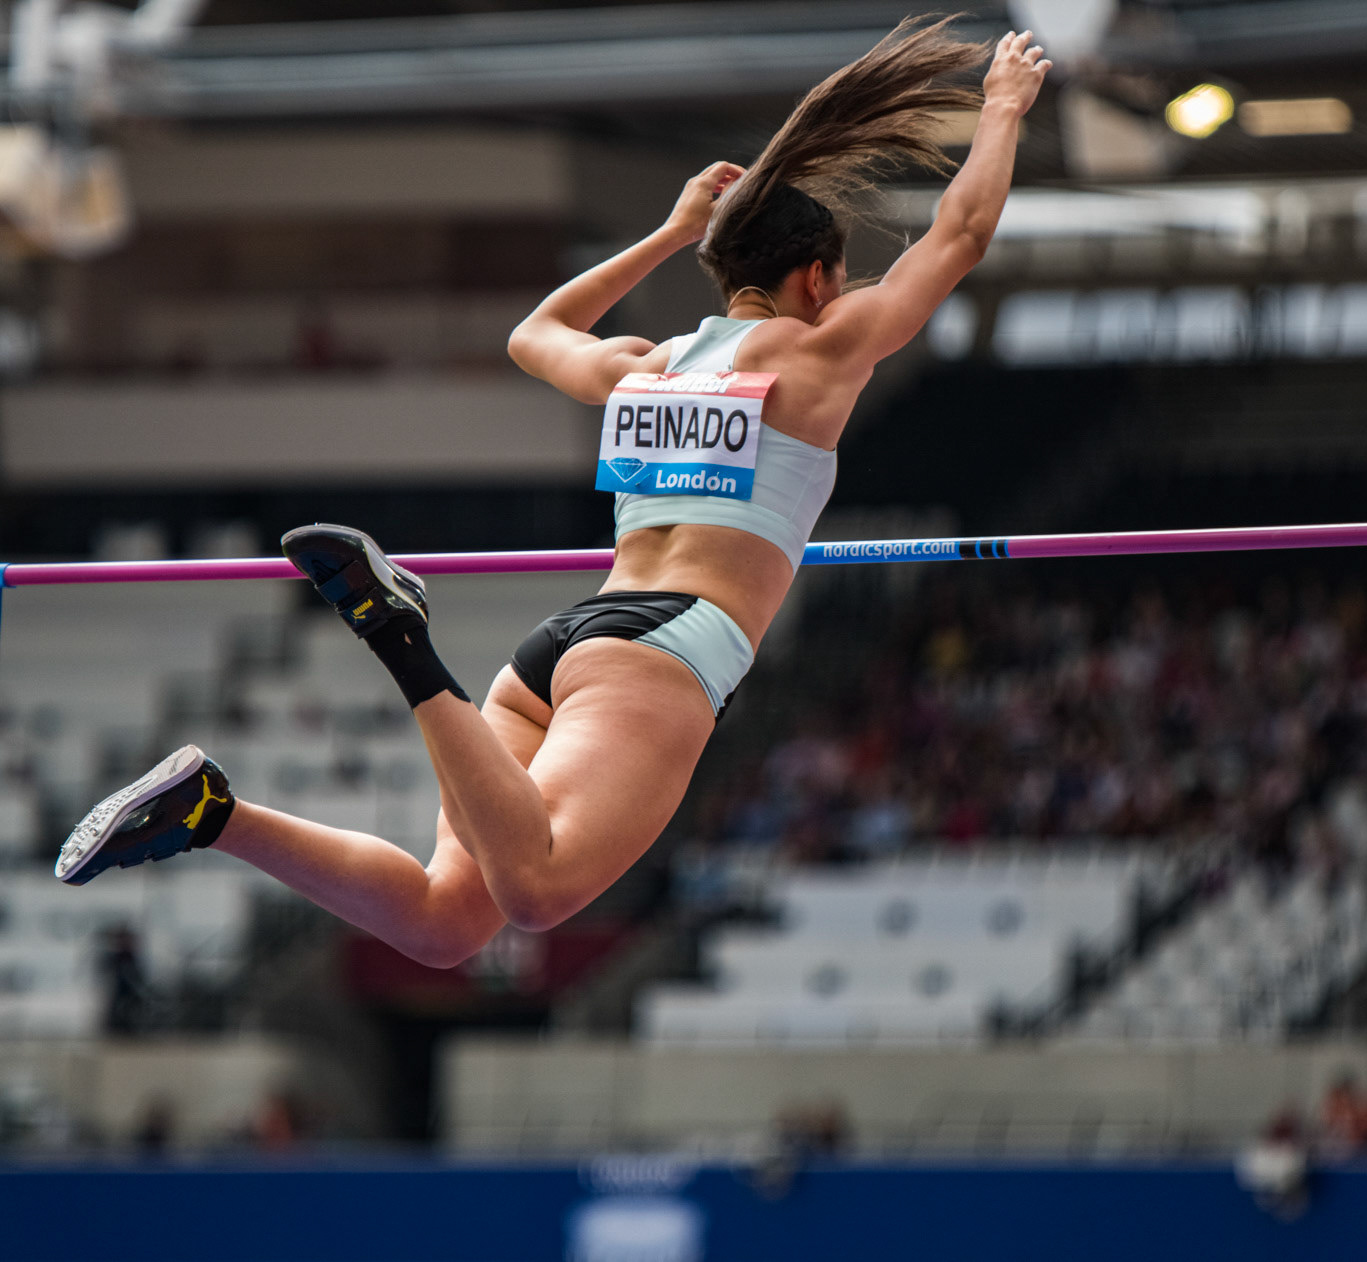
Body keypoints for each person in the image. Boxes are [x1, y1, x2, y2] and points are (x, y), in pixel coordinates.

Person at [55, 20, 1052, 964]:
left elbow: (534, 333)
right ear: (819, 278)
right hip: (668, 648)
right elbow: (959, 234)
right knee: (538, 892)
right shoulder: (825, 347)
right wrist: (1002, 107)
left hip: (571, 644)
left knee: (449, 922)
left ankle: (208, 812)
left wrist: (667, 235)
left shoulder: (651, 365)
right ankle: (399, 635)